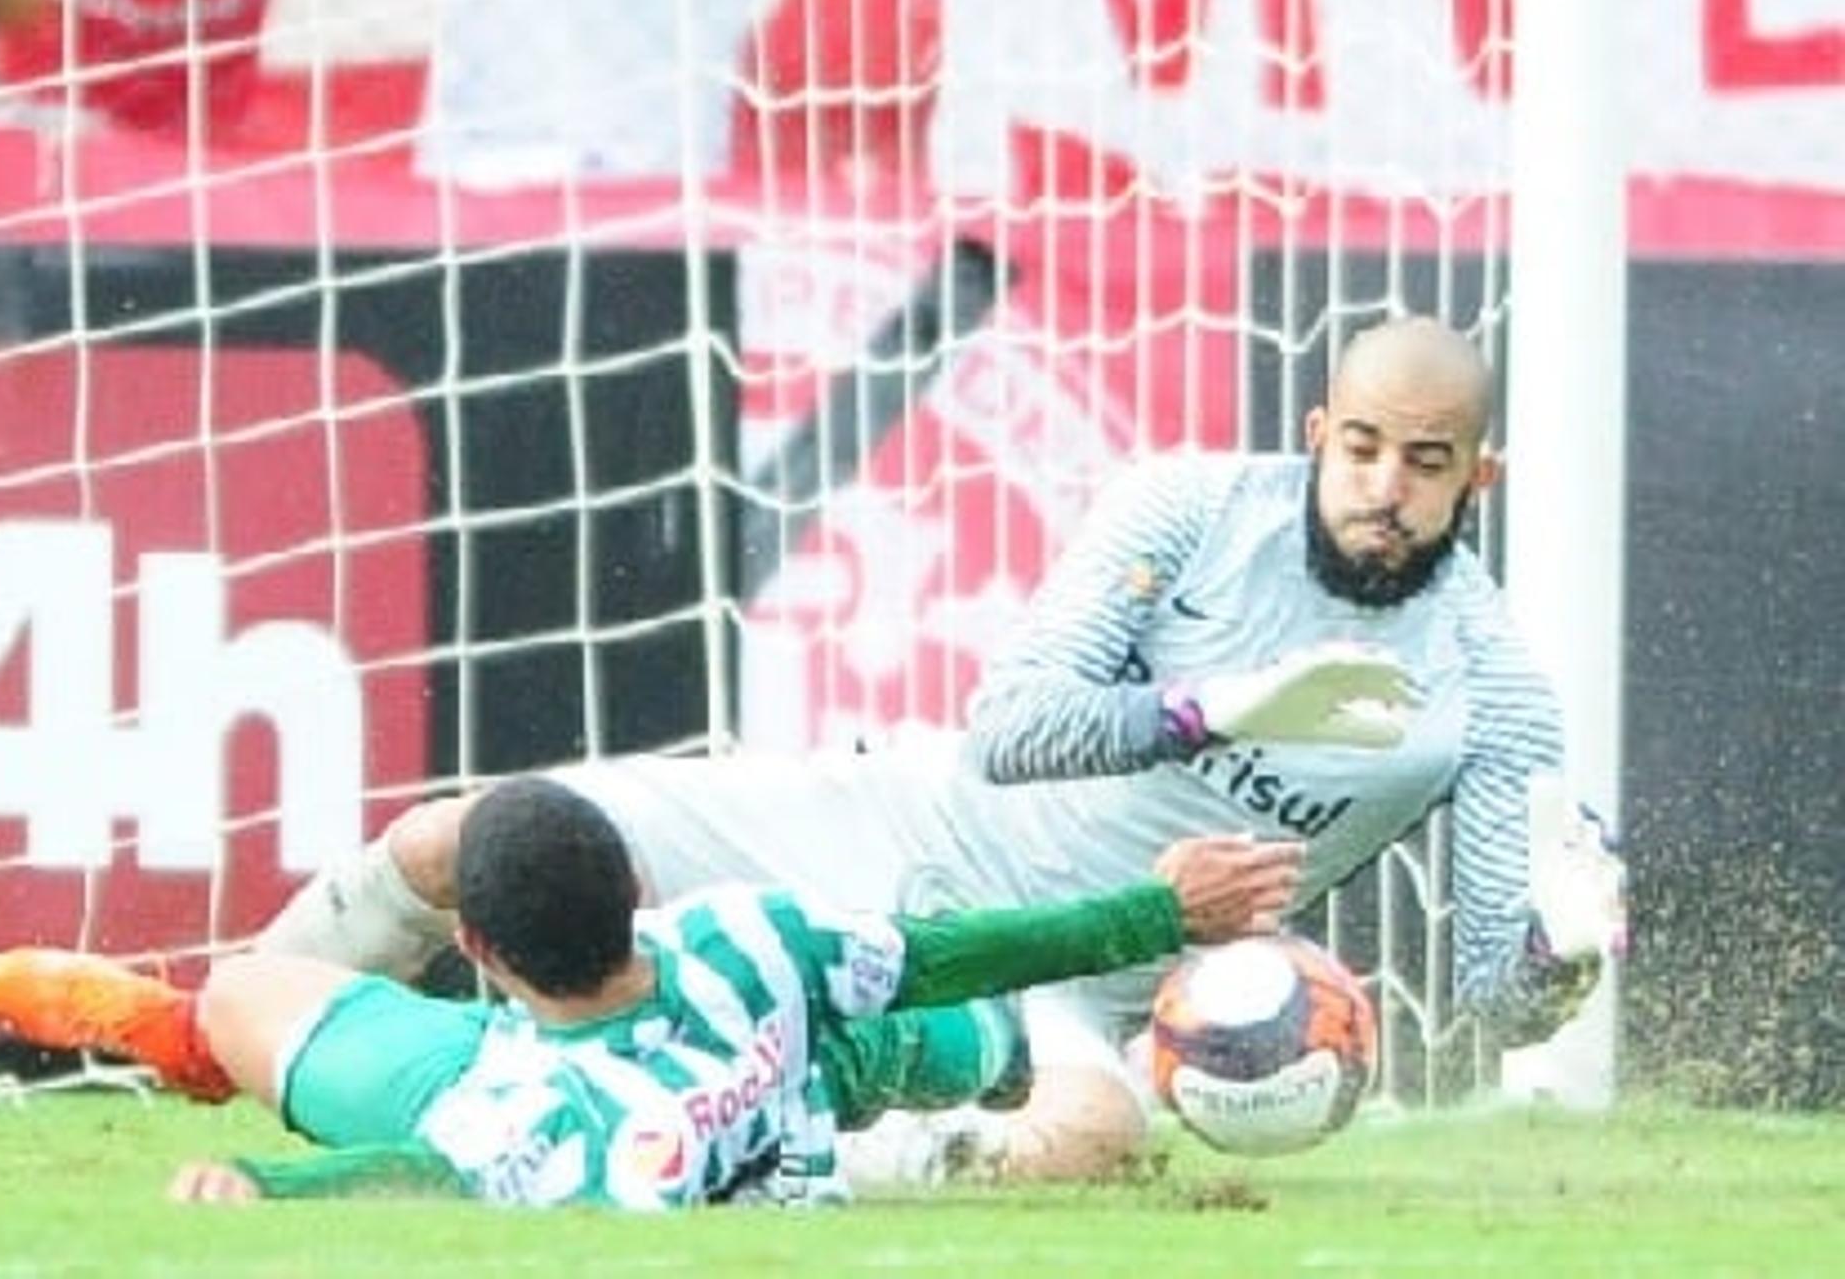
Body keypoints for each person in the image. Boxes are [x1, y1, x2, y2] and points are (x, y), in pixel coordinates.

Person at [249, 314, 1621, 1181]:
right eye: (1364, 447)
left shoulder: (1488, 696)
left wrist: (1564, 955)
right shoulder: (1188, 510)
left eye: (1426, 463)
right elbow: (1013, 730)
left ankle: (813, 1167)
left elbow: (1500, 997)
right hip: (899, 825)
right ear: (1318, 431)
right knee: (463, 838)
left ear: (1475, 478)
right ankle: (238, 1020)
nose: (1384, 489)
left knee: (1089, 1146)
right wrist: (1235, 706)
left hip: (1083, 968)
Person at [0, 776, 1296, 1209]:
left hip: (462, 1071)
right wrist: (1159, 913)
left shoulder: (523, 1121)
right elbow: (946, 954)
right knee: (1071, 1102)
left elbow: (410, 1173)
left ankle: (194, 1039)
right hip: (834, 1066)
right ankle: (1124, 1061)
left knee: (244, 994)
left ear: (477, 953)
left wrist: (264, 1184)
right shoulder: (749, 935)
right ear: (634, 887)